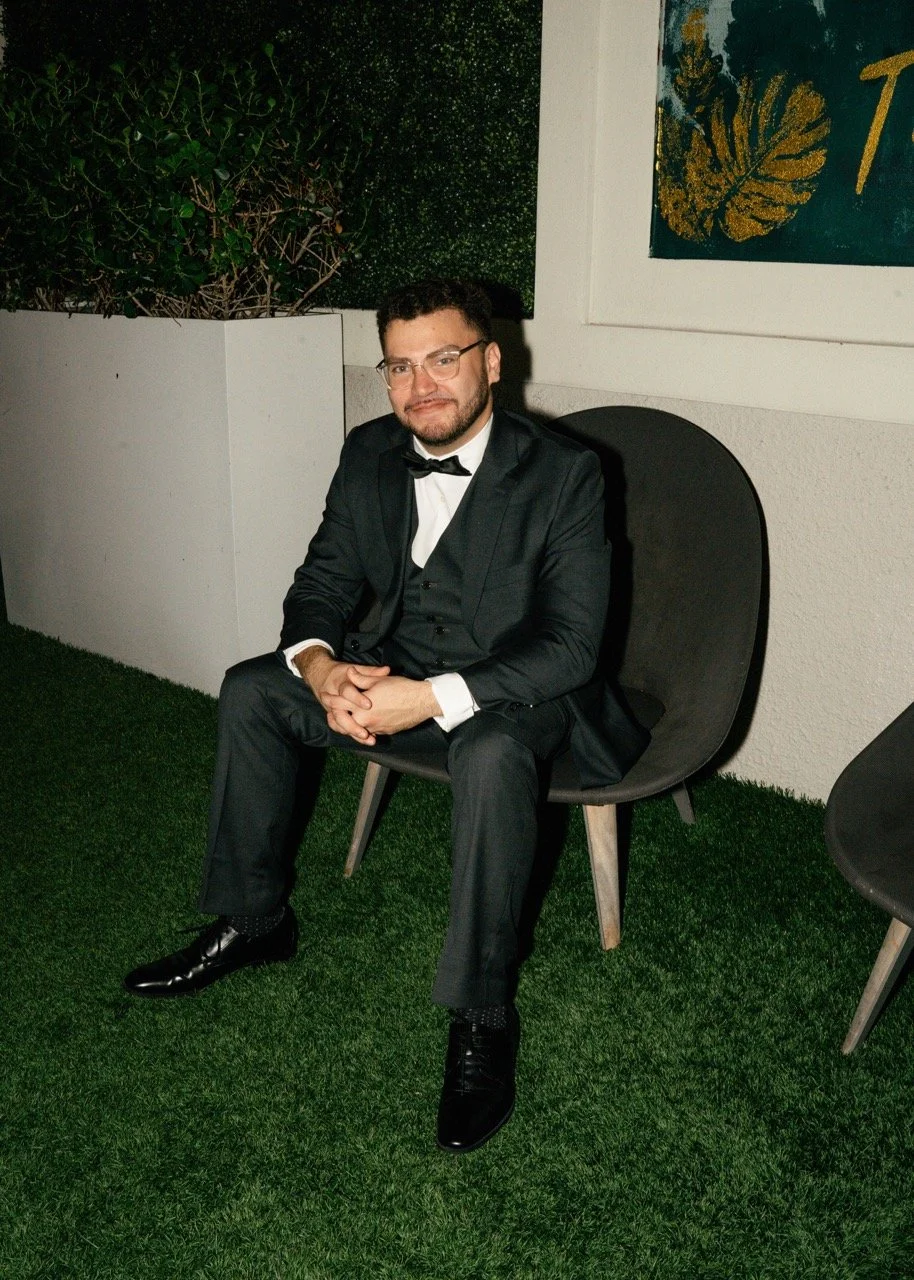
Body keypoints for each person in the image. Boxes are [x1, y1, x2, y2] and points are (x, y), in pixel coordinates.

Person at [124, 277, 649, 1153]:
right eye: (399, 367)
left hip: (520, 694)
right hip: (393, 663)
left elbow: (569, 648)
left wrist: (432, 697)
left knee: (486, 757)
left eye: (443, 359)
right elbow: (323, 582)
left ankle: (482, 1012)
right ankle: (255, 920)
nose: (421, 387)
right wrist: (323, 666)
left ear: (490, 361)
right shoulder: (370, 450)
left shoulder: (565, 473)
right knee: (254, 689)